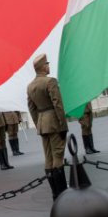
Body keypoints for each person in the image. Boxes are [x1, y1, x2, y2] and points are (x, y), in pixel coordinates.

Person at [27, 54, 68, 199]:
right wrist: (63, 125)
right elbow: (58, 104)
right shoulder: (50, 82)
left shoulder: (30, 86)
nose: (49, 66)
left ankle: (55, 192)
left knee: (48, 157)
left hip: (42, 124)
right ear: (43, 67)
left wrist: (39, 123)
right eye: (47, 64)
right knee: (58, 155)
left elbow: (32, 108)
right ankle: (62, 191)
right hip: (54, 123)